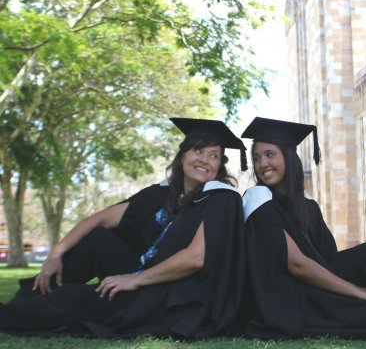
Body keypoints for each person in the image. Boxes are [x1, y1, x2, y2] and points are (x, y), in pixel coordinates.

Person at [0, 117, 247, 339]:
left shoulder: (222, 199)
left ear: (219, 166)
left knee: (73, 298)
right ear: (182, 156)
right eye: (198, 151)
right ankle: (25, 300)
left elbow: (196, 258)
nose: (204, 160)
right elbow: (99, 220)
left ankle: (9, 315)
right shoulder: (159, 194)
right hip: (142, 277)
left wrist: (135, 279)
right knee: (95, 239)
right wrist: (55, 254)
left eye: (213, 155)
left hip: (170, 297)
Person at [236, 116, 366, 339]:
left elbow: (327, 259)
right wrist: (360, 292)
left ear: (289, 156)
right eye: (257, 158)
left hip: (314, 288)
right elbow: (297, 265)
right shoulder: (257, 199)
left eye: (270, 154)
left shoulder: (307, 204)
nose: (262, 163)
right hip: (286, 300)